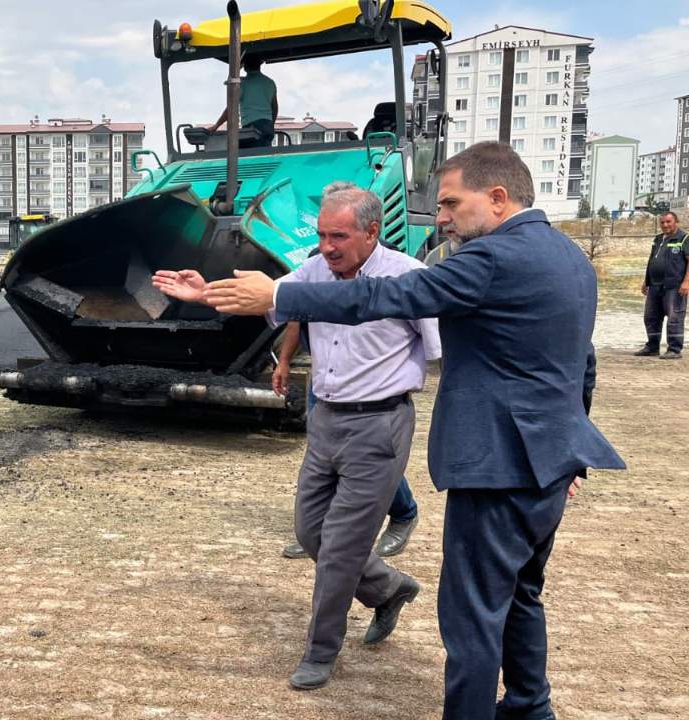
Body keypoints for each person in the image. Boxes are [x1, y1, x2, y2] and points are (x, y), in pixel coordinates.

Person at [155, 141, 626, 719]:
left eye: (451, 202)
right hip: (544, 465)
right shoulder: (570, 257)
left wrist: (279, 292)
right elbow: (582, 362)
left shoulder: (491, 259)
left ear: (497, 198)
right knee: (521, 595)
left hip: (498, 465)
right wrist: (568, 447)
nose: (444, 216)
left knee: (472, 613)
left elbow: (388, 295)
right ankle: (530, 707)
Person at [178, 183, 439, 690]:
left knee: (339, 547)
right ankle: (389, 587)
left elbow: (440, 353)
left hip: (379, 424)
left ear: (372, 231)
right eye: (321, 235)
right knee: (309, 531)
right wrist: (205, 293)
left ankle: (321, 651)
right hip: (325, 419)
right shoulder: (316, 270)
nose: (326, 246)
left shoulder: (409, 279)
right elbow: (271, 302)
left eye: (337, 236)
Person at [275, 319, 423, 561]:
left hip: (365, 378)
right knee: (324, 456)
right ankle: (319, 533)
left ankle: (404, 514)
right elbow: (296, 317)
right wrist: (283, 361)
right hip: (325, 375)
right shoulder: (311, 281)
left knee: (372, 456)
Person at [636, 211, 686, 359]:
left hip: (674, 286)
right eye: (662, 222)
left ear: (676, 222)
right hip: (655, 285)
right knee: (651, 317)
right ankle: (652, 346)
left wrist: (686, 282)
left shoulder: (684, 238)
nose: (665, 225)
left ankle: (674, 349)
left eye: (668, 222)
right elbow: (652, 260)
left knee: (674, 318)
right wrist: (647, 280)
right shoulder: (658, 239)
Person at [209, 54, 278, 148]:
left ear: (245, 67)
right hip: (268, 125)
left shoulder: (242, 83)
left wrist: (217, 125)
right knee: (264, 155)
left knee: (242, 154)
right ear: (259, 65)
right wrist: (271, 124)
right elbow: (274, 107)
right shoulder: (270, 82)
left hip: (252, 126)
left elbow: (232, 107)